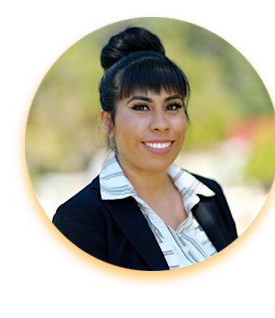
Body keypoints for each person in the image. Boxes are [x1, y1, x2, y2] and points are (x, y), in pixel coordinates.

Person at [53, 27, 238, 271]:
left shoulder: (209, 197)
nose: (161, 124)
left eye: (172, 106)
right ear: (109, 123)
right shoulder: (81, 219)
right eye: (141, 107)